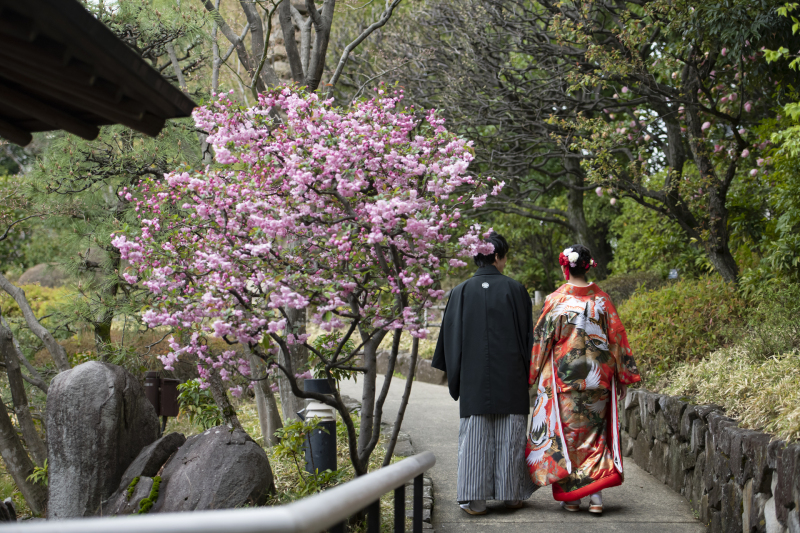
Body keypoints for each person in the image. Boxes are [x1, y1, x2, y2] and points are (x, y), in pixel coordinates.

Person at [525, 244, 641, 515]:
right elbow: (617, 338)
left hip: (566, 380)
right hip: (599, 380)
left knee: (569, 438)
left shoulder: (556, 300)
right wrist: (622, 376)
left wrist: (531, 375)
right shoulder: (602, 299)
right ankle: (596, 499)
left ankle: (573, 498)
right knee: (595, 437)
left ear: (566, 266)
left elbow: (542, 340)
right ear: (588, 266)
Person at [432, 231, 536, 516]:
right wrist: (529, 370)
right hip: (511, 374)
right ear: (499, 256)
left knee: (475, 436)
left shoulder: (461, 291)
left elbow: (450, 338)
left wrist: (457, 373)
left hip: (475, 376)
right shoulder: (516, 290)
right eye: (504, 257)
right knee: (511, 435)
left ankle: (475, 501)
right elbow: (528, 336)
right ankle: (512, 496)